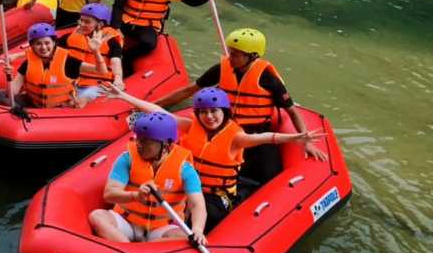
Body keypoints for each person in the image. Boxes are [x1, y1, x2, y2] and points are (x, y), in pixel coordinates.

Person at [102, 85, 325, 231]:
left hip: (215, 194)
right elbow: (159, 113)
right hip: (184, 187)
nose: (209, 117)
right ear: (198, 113)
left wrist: (297, 137)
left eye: (214, 111)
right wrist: (124, 96)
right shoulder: (192, 127)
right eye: (204, 112)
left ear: (224, 112)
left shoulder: (236, 137)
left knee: (196, 217)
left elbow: (265, 138)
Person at [154, 27, 328, 184]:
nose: (230, 57)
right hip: (223, 128)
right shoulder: (222, 69)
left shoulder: (268, 78)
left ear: (252, 56)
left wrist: (306, 141)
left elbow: (291, 110)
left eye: (236, 54)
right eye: (230, 52)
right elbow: (189, 90)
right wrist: (156, 104)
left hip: (256, 133)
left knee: (270, 176)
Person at [88, 112, 207, 244]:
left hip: (162, 228)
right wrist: (135, 196)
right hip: (126, 221)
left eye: (146, 141)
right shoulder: (127, 158)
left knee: (184, 236)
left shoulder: (185, 170)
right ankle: (129, 249)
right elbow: (109, 194)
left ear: (166, 145)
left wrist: (197, 229)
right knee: (97, 216)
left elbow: (197, 204)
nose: (138, 144)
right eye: (138, 138)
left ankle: (143, 252)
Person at [0, 22, 98, 110]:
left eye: (47, 43)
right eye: (38, 44)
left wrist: (96, 52)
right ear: (32, 46)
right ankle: (21, 112)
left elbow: (99, 70)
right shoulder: (28, 62)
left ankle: (23, 113)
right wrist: (9, 76)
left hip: (60, 107)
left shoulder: (68, 61)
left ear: (54, 43)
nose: (43, 47)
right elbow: (13, 92)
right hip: (33, 103)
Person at [60, 2, 123, 106]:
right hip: (72, 81)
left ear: (100, 24)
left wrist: (118, 78)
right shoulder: (69, 37)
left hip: (97, 84)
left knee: (80, 101)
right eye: (81, 20)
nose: (82, 24)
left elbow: (115, 61)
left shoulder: (111, 42)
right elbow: (53, 53)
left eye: (87, 22)